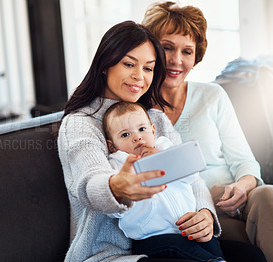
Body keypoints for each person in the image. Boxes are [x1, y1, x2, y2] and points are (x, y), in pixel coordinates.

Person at [57, 20, 219, 262]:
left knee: (253, 255)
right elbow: (90, 182)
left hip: (175, 236)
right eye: (129, 64)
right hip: (112, 254)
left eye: (148, 68)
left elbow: (190, 175)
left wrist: (205, 213)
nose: (138, 77)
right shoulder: (81, 123)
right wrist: (117, 187)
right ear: (105, 64)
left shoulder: (155, 118)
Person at [142, 1, 273, 261]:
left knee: (268, 195)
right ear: (151, 49)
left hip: (238, 202)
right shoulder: (135, 113)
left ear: (196, 56)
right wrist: (205, 201)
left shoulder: (212, 96)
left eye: (187, 51)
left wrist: (241, 186)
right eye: (167, 47)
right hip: (190, 215)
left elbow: (245, 162)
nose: (177, 60)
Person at [103, 101, 225, 262]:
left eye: (142, 129)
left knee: (210, 242)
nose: (137, 137)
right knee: (177, 246)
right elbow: (112, 206)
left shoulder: (165, 148)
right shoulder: (117, 165)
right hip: (150, 238)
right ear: (112, 146)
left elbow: (191, 178)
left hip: (187, 227)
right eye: (125, 134)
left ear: (153, 131)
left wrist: (162, 157)